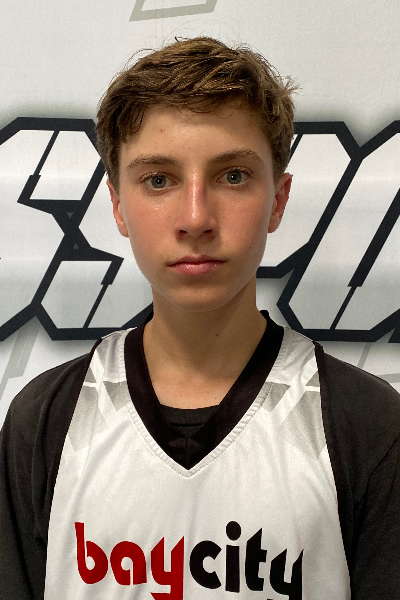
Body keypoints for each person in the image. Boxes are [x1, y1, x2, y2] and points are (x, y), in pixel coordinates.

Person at [1, 36, 400, 600]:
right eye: (158, 179)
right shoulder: (45, 421)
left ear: (278, 200)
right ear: (117, 204)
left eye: (232, 175)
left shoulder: (367, 426)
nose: (195, 218)